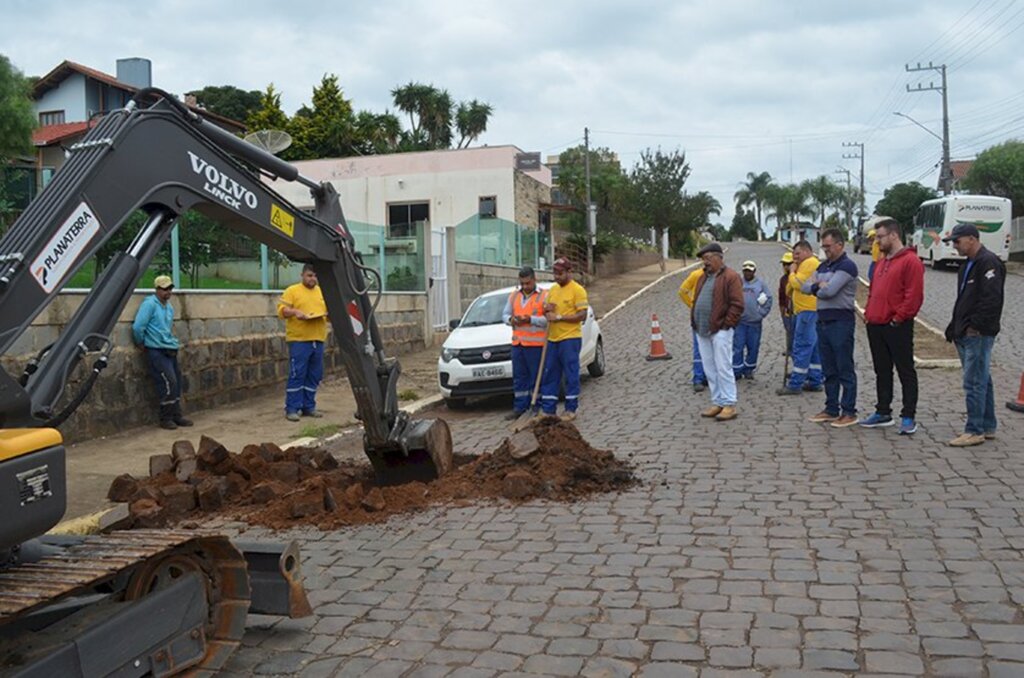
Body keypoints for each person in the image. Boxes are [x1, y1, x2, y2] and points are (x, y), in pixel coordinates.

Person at [943, 223, 1007, 447]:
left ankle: (974, 430)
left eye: (958, 241)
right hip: (965, 331)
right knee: (983, 380)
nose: (955, 246)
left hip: (977, 333)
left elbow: (991, 300)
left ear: (972, 239)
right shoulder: (968, 264)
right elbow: (964, 299)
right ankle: (987, 425)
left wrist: (976, 326)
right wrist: (955, 325)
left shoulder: (988, 262)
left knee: (974, 383)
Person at [860, 218, 924, 434]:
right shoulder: (881, 262)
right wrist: (869, 312)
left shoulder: (911, 261)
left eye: (880, 237)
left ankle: (908, 416)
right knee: (882, 370)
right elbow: (873, 290)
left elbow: (913, 296)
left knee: (905, 370)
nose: (876, 241)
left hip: (897, 325)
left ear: (894, 235)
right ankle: (883, 411)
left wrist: (898, 318)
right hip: (875, 324)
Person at [802, 229, 859, 427]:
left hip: (841, 322)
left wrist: (817, 286)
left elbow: (831, 290)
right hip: (823, 322)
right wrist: (820, 285)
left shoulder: (847, 266)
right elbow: (805, 287)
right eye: (823, 247)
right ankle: (831, 408)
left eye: (828, 246)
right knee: (829, 369)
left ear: (840, 245)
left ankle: (849, 411)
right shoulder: (823, 265)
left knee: (844, 367)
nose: (825, 250)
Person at [691, 243, 745, 421]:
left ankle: (729, 403)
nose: (704, 263)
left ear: (718, 258)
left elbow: (737, 304)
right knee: (709, 368)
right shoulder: (702, 278)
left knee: (723, 367)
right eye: (703, 259)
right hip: (702, 329)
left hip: (720, 329)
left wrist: (726, 325)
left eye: (707, 259)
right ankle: (718, 401)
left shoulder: (731, 277)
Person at [132, 275, 193, 430]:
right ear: (157, 289)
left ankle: (176, 415)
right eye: (165, 289)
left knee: (177, 382)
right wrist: (140, 342)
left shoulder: (169, 307)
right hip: (156, 349)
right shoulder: (150, 304)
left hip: (169, 347)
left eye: (170, 289)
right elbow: (138, 327)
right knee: (168, 382)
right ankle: (165, 417)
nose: (168, 292)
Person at [278, 264, 328, 422]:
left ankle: (309, 406)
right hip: (299, 340)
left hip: (318, 339)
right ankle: (292, 408)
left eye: (314, 276)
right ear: (302, 275)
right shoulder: (293, 291)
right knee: (297, 374)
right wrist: (295, 312)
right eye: (309, 275)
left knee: (314, 375)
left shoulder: (322, 292)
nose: (312, 279)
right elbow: (282, 310)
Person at [540, 258, 588, 421]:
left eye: (560, 273)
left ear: (569, 272)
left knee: (571, 373)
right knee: (550, 374)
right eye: (555, 273)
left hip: (570, 338)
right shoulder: (552, 290)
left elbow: (582, 315)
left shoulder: (577, 290)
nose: (557, 277)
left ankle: (570, 408)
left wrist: (559, 317)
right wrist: (545, 311)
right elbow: (546, 312)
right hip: (552, 339)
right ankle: (548, 410)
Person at [501, 266, 548, 420]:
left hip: (536, 346)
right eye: (522, 284)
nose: (525, 286)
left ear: (534, 280)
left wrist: (530, 320)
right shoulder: (514, 296)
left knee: (536, 377)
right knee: (520, 377)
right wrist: (511, 320)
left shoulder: (543, 296)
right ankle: (520, 407)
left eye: (528, 283)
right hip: (518, 344)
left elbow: (548, 321)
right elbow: (505, 314)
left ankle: (537, 406)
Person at [776, 240, 823, 395]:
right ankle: (815, 379)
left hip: (807, 311)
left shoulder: (810, 263)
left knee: (801, 345)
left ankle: (796, 383)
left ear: (806, 251)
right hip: (806, 310)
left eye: (797, 253)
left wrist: (792, 272)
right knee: (813, 347)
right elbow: (788, 289)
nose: (794, 258)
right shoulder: (806, 264)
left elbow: (796, 284)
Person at [733, 260, 772, 379]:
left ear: (754, 271)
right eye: (745, 270)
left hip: (754, 323)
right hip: (740, 322)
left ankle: (749, 369)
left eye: (750, 271)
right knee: (737, 347)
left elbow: (769, 299)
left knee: (753, 347)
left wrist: (761, 314)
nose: (747, 273)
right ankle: (736, 370)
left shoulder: (761, 284)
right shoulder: (738, 283)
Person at [677, 267, 708, 392]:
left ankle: (708, 376)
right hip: (699, 316)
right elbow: (682, 291)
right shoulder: (696, 275)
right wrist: (692, 305)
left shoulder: (719, 276)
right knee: (699, 348)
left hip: (714, 316)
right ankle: (698, 378)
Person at [778, 252, 795, 358]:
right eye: (784, 264)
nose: (785, 266)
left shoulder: (797, 276)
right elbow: (781, 297)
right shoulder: (783, 279)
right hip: (787, 311)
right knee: (789, 331)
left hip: (797, 311)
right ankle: (789, 349)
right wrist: (782, 310)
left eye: (788, 264)